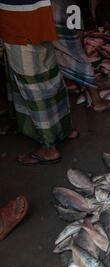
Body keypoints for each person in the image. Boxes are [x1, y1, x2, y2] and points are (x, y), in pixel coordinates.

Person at [0, 0, 78, 165]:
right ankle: (65, 129)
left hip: (18, 24)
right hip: (40, 20)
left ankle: (49, 148)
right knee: (50, 77)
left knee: (32, 86)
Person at [51, 0, 110, 112]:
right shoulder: (71, 5)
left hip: (49, 34)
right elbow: (78, 35)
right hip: (62, 33)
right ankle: (97, 102)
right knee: (82, 64)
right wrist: (81, 55)